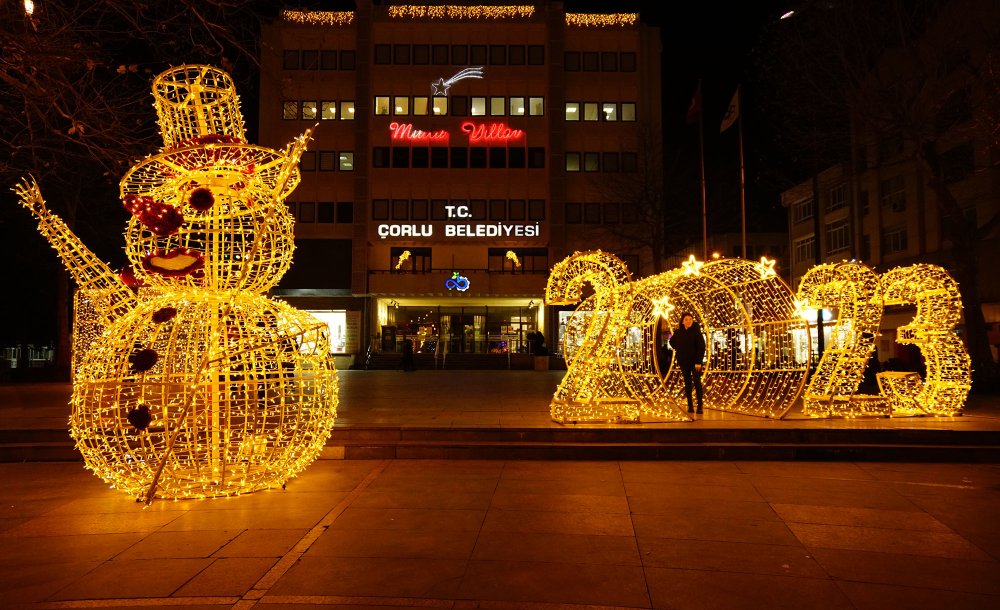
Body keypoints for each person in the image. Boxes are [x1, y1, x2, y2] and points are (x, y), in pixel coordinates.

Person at [670, 312, 706, 414]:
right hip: (683, 361)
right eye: (686, 319)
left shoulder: (696, 332)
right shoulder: (678, 332)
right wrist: (678, 349)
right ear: (682, 321)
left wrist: (699, 361)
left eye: (690, 319)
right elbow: (671, 342)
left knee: (697, 381)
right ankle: (690, 405)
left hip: (695, 362)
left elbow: (701, 347)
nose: (688, 321)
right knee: (687, 383)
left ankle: (700, 405)